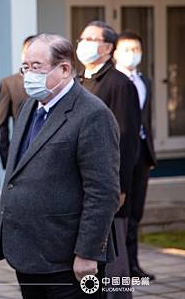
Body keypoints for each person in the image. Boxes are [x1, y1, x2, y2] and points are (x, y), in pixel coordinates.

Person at [0, 33, 120, 299]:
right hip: (29, 255)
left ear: (64, 69)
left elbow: (103, 192)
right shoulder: (30, 106)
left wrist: (88, 253)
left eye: (36, 67)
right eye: (25, 68)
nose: (28, 75)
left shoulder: (92, 114)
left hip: (68, 260)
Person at [78, 21, 141, 299]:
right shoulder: (81, 80)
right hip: (84, 184)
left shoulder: (119, 84)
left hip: (110, 185)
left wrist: (121, 186)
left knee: (114, 259)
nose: (85, 43)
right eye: (83, 37)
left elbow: (127, 140)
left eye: (92, 39)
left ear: (107, 48)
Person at [114, 31, 157, 280]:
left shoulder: (144, 82)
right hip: (120, 155)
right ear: (115, 52)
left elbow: (146, 120)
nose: (132, 53)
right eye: (127, 48)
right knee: (122, 210)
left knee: (136, 212)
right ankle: (120, 265)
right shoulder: (116, 83)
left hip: (141, 153)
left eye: (136, 48)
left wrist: (149, 154)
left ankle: (133, 264)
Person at [0, 35, 35, 168]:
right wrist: (7, 158)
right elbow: (2, 124)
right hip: (20, 151)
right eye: (27, 50)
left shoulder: (52, 82)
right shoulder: (9, 83)